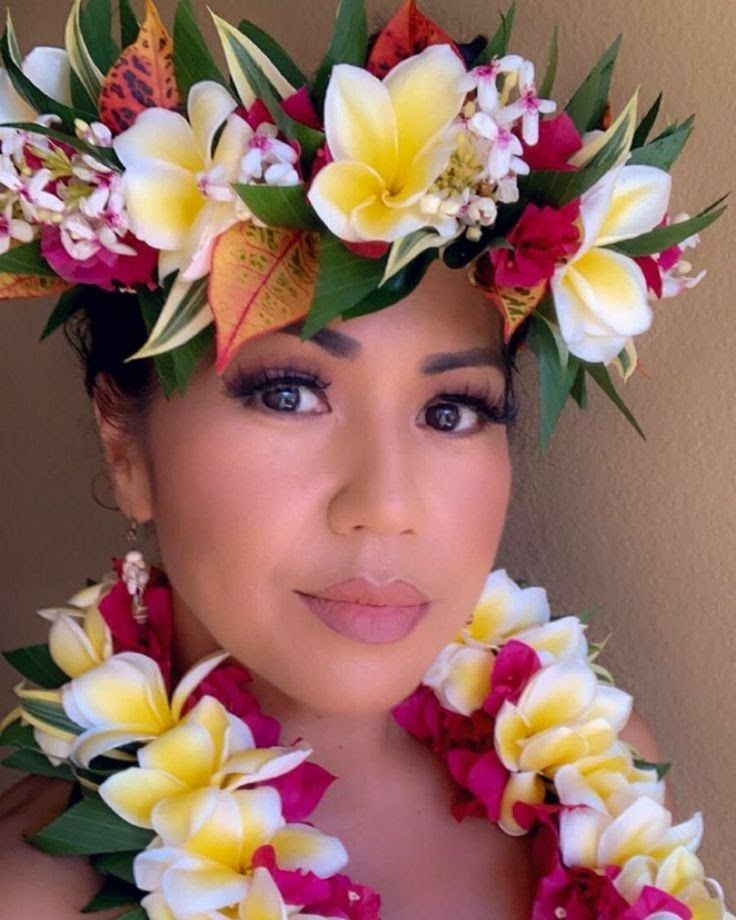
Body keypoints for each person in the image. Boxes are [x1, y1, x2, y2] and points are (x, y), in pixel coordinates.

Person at [0, 0, 730, 917]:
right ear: (126, 447)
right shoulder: (35, 896)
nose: (388, 505)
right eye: (288, 395)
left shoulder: (598, 767)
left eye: (453, 409)